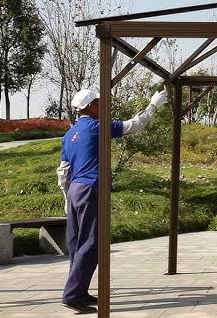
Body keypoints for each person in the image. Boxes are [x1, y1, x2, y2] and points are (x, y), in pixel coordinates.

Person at [56, 88, 168, 314]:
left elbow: (63, 172)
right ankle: (72, 295)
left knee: (77, 244)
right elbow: (134, 125)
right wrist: (153, 106)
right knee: (92, 242)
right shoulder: (98, 127)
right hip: (91, 188)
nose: (102, 106)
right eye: (99, 102)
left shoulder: (70, 134)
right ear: (90, 107)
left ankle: (80, 290)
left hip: (75, 190)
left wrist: (68, 199)